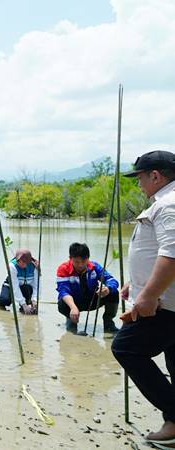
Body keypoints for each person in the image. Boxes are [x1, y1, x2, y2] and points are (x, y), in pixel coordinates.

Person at [112, 150, 175, 446]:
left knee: (126, 349)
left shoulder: (170, 204)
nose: (138, 183)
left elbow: (172, 255)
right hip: (164, 299)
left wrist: (147, 296)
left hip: (164, 304)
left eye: (140, 177)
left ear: (155, 176)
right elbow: (156, 253)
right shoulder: (166, 202)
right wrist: (134, 284)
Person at [56, 242, 119, 333]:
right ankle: (71, 322)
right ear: (70, 259)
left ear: (88, 259)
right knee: (62, 303)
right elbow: (64, 291)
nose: (80, 265)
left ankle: (108, 323)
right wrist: (73, 307)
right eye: (77, 262)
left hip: (93, 299)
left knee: (114, 292)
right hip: (73, 302)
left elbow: (111, 280)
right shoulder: (63, 269)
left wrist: (108, 289)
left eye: (84, 261)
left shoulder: (94, 267)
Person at [0, 248, 40, 314]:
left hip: (25, 287)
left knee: (30, 305)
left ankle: (24, 305)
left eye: (24, 262)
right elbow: (15, 287)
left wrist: (34, 299)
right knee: (5, 300)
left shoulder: (35, 266)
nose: (21, 263)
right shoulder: (12, 266)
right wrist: (23, 304)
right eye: (20, 261)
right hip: (10, 286)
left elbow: (36, 285)